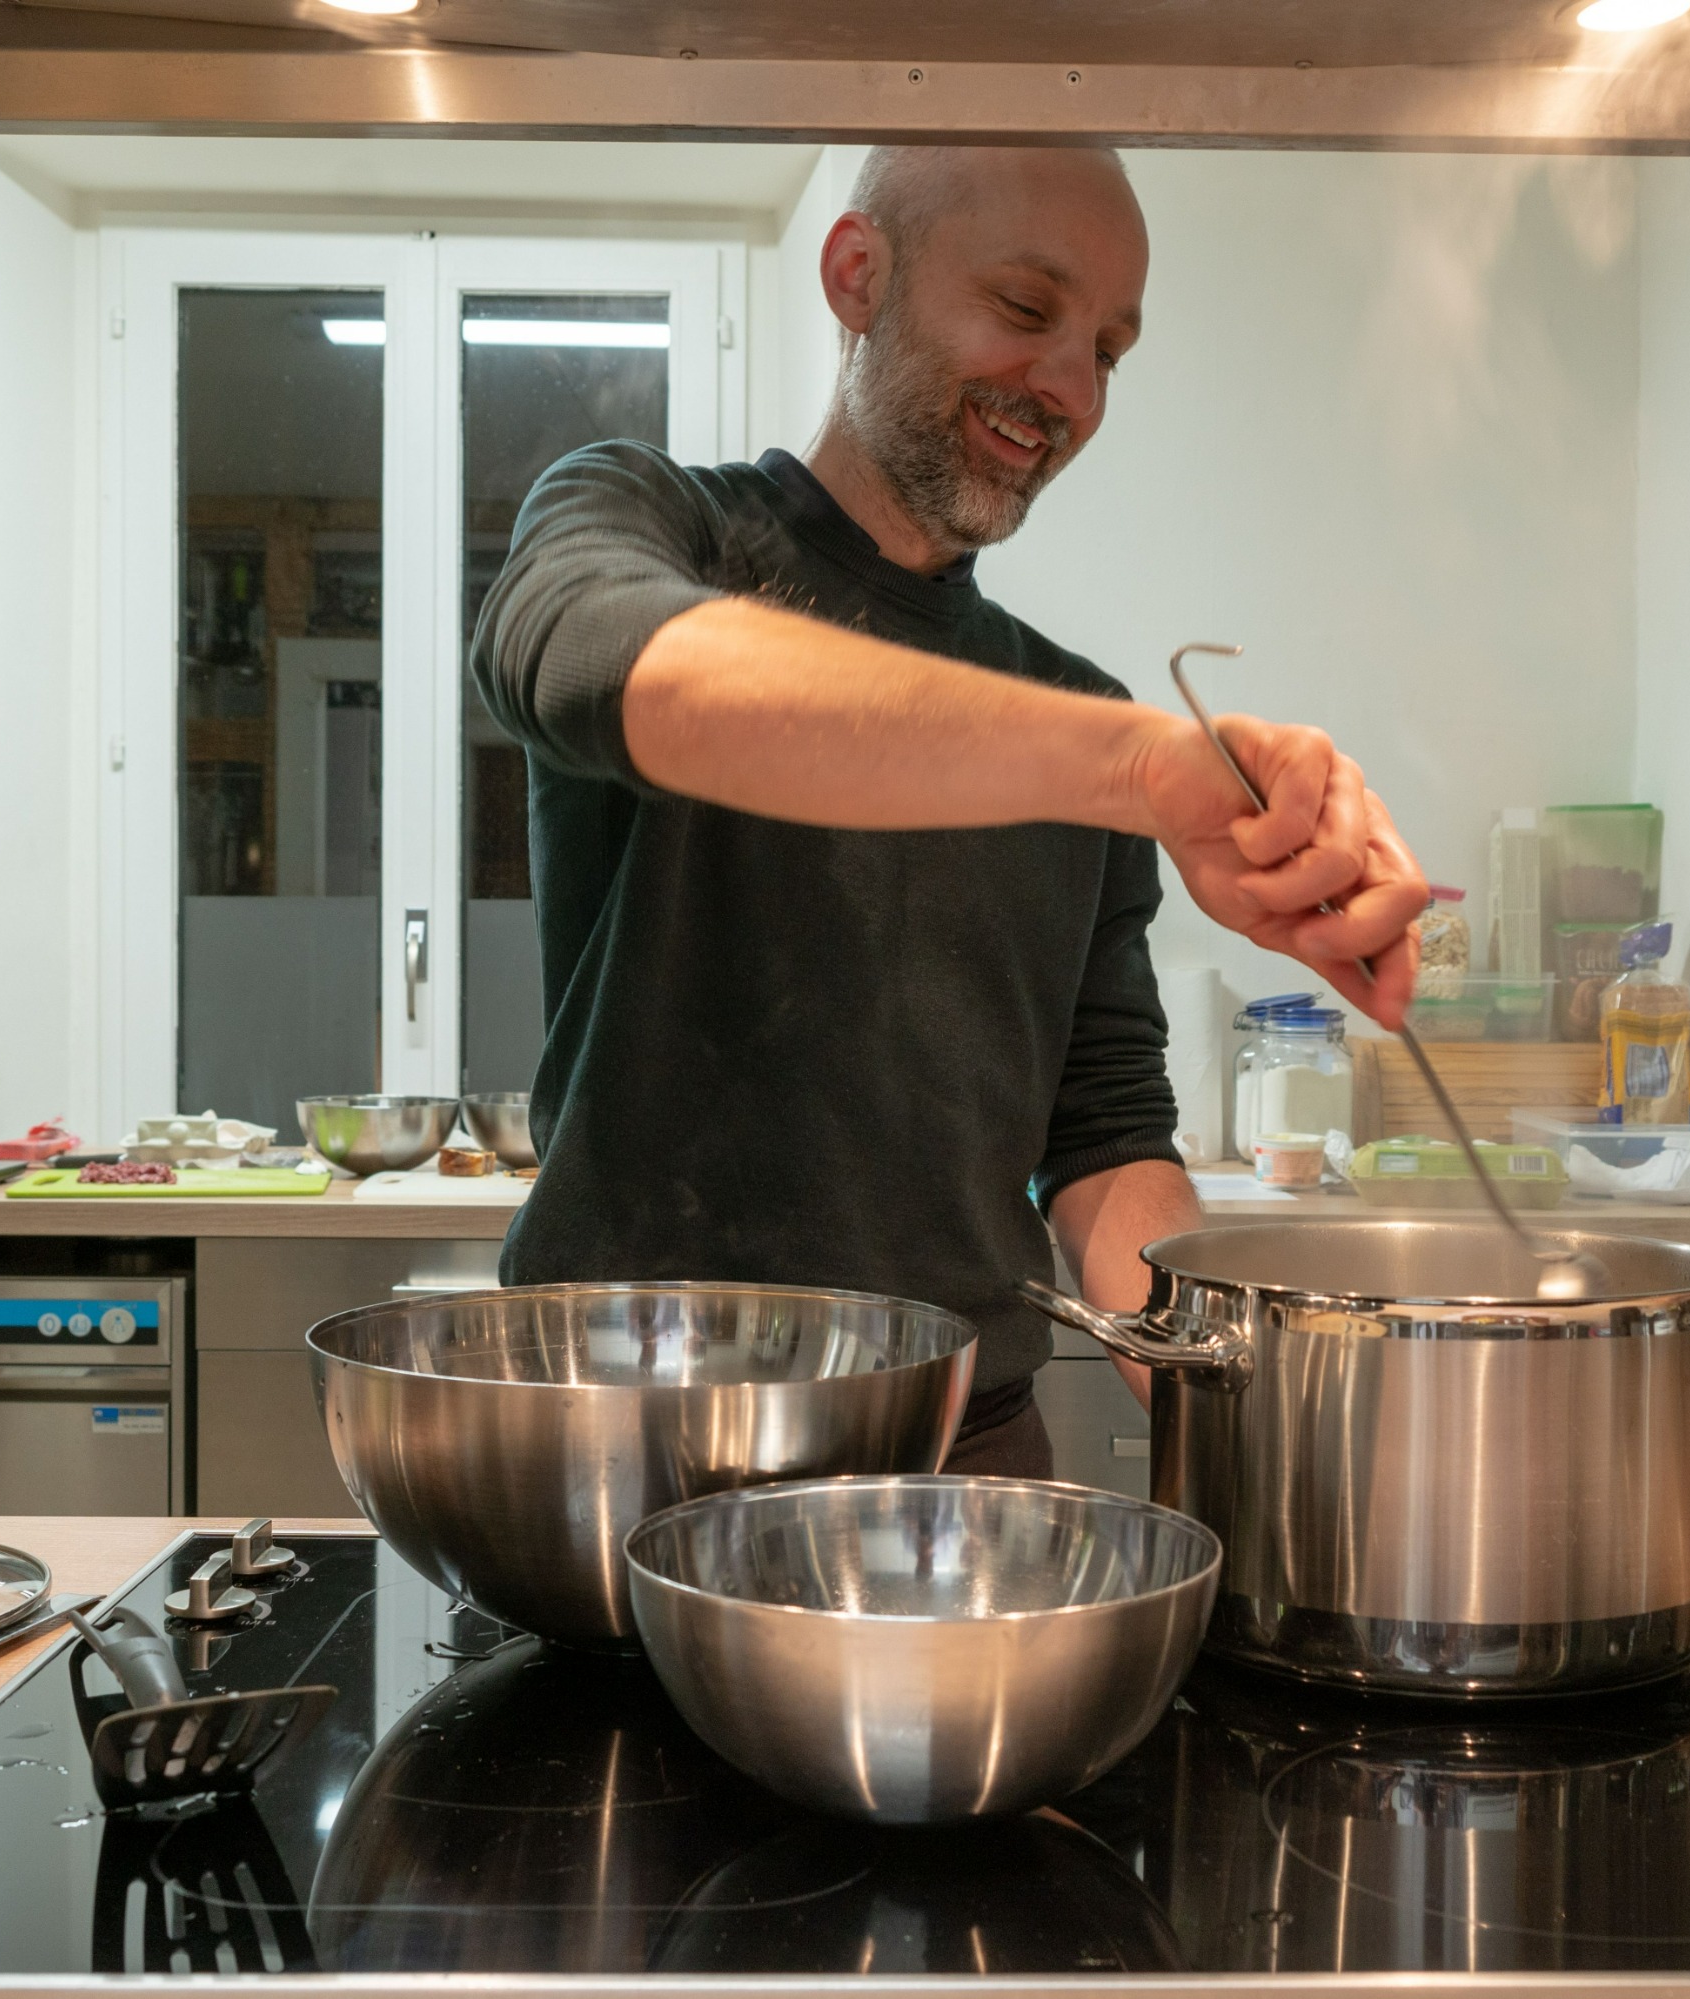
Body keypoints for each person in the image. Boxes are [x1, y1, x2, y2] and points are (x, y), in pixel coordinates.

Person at [469, 146, 1426, 1476]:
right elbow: (619, 668)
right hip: (628, 1451)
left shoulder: (1070, 712)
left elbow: (1103, 1140)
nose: (1072, 391)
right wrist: (1142, 770)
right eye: (1028, 314)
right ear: (860, 276)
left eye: (1110, 349)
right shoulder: (641, 518)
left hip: (959, 1470)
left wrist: (1257, 1421)